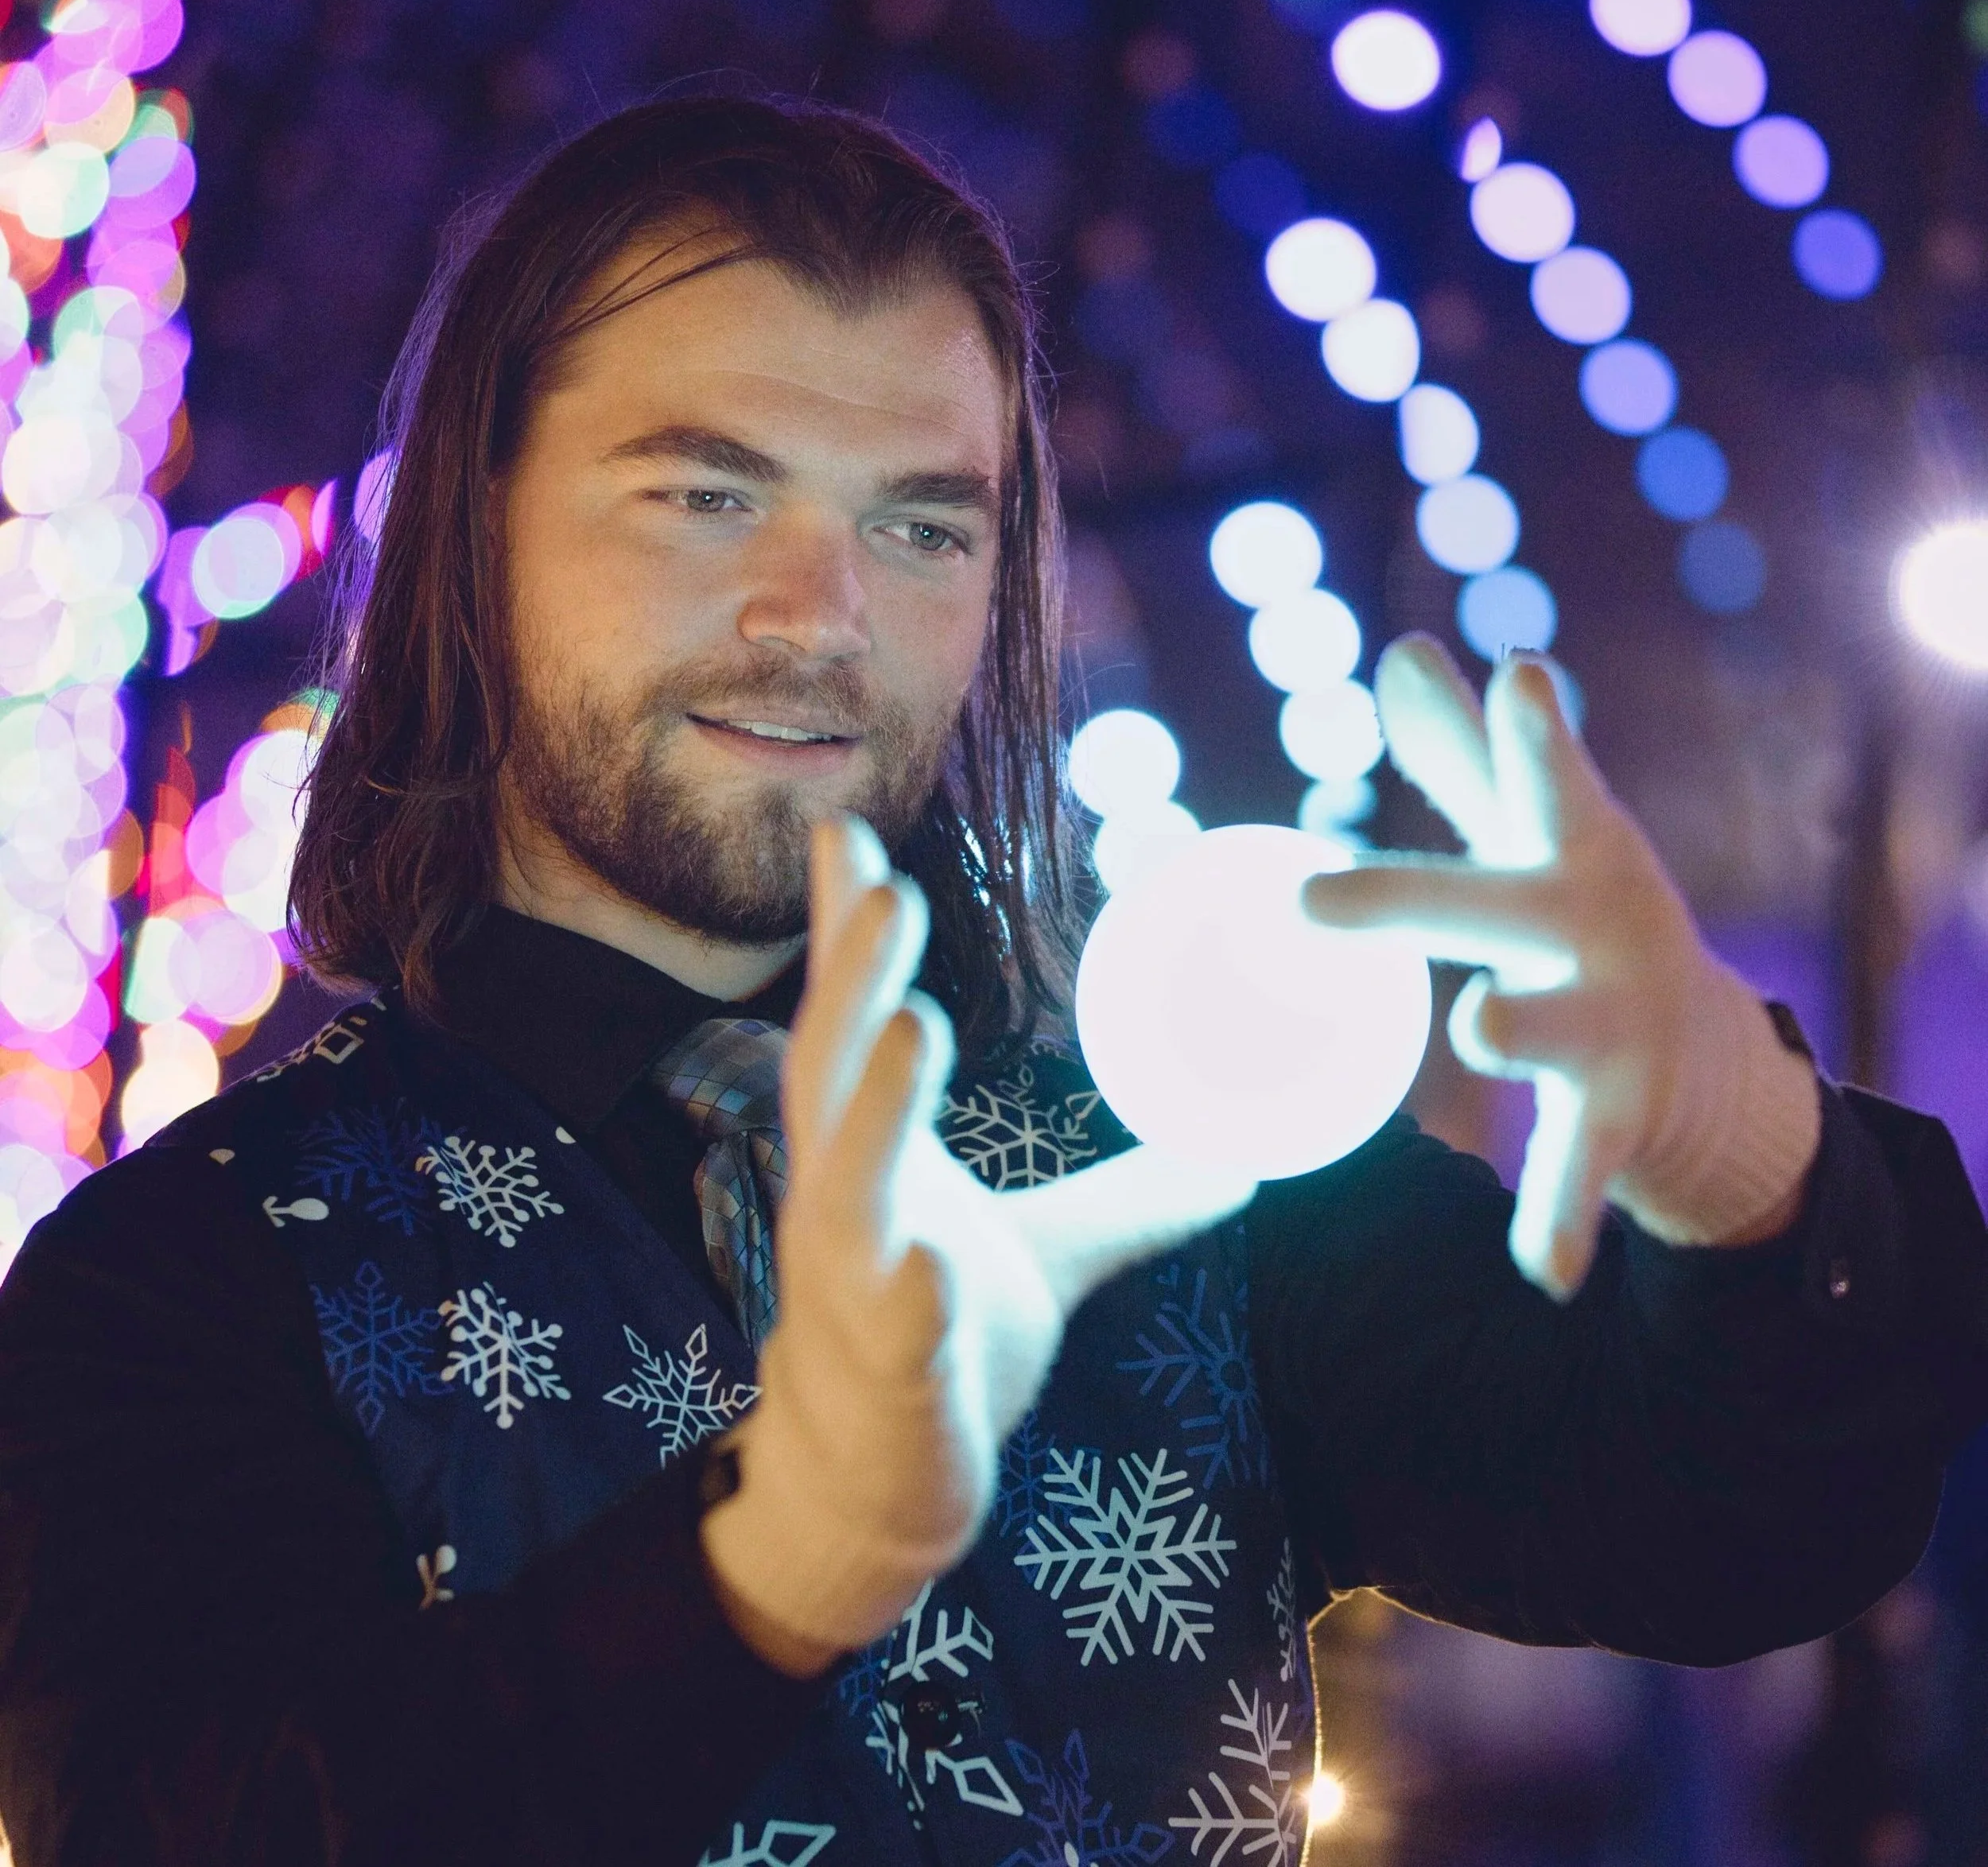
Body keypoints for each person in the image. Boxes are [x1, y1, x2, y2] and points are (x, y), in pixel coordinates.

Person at [0, 92, 1982, 1867]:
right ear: (471, 527)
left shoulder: (1193, 1157)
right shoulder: (187, 1276)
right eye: (704, 492)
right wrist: (772, 1563)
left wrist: (1740, 1167)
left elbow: (1712, 1521)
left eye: (919, 521)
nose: (819, 616)